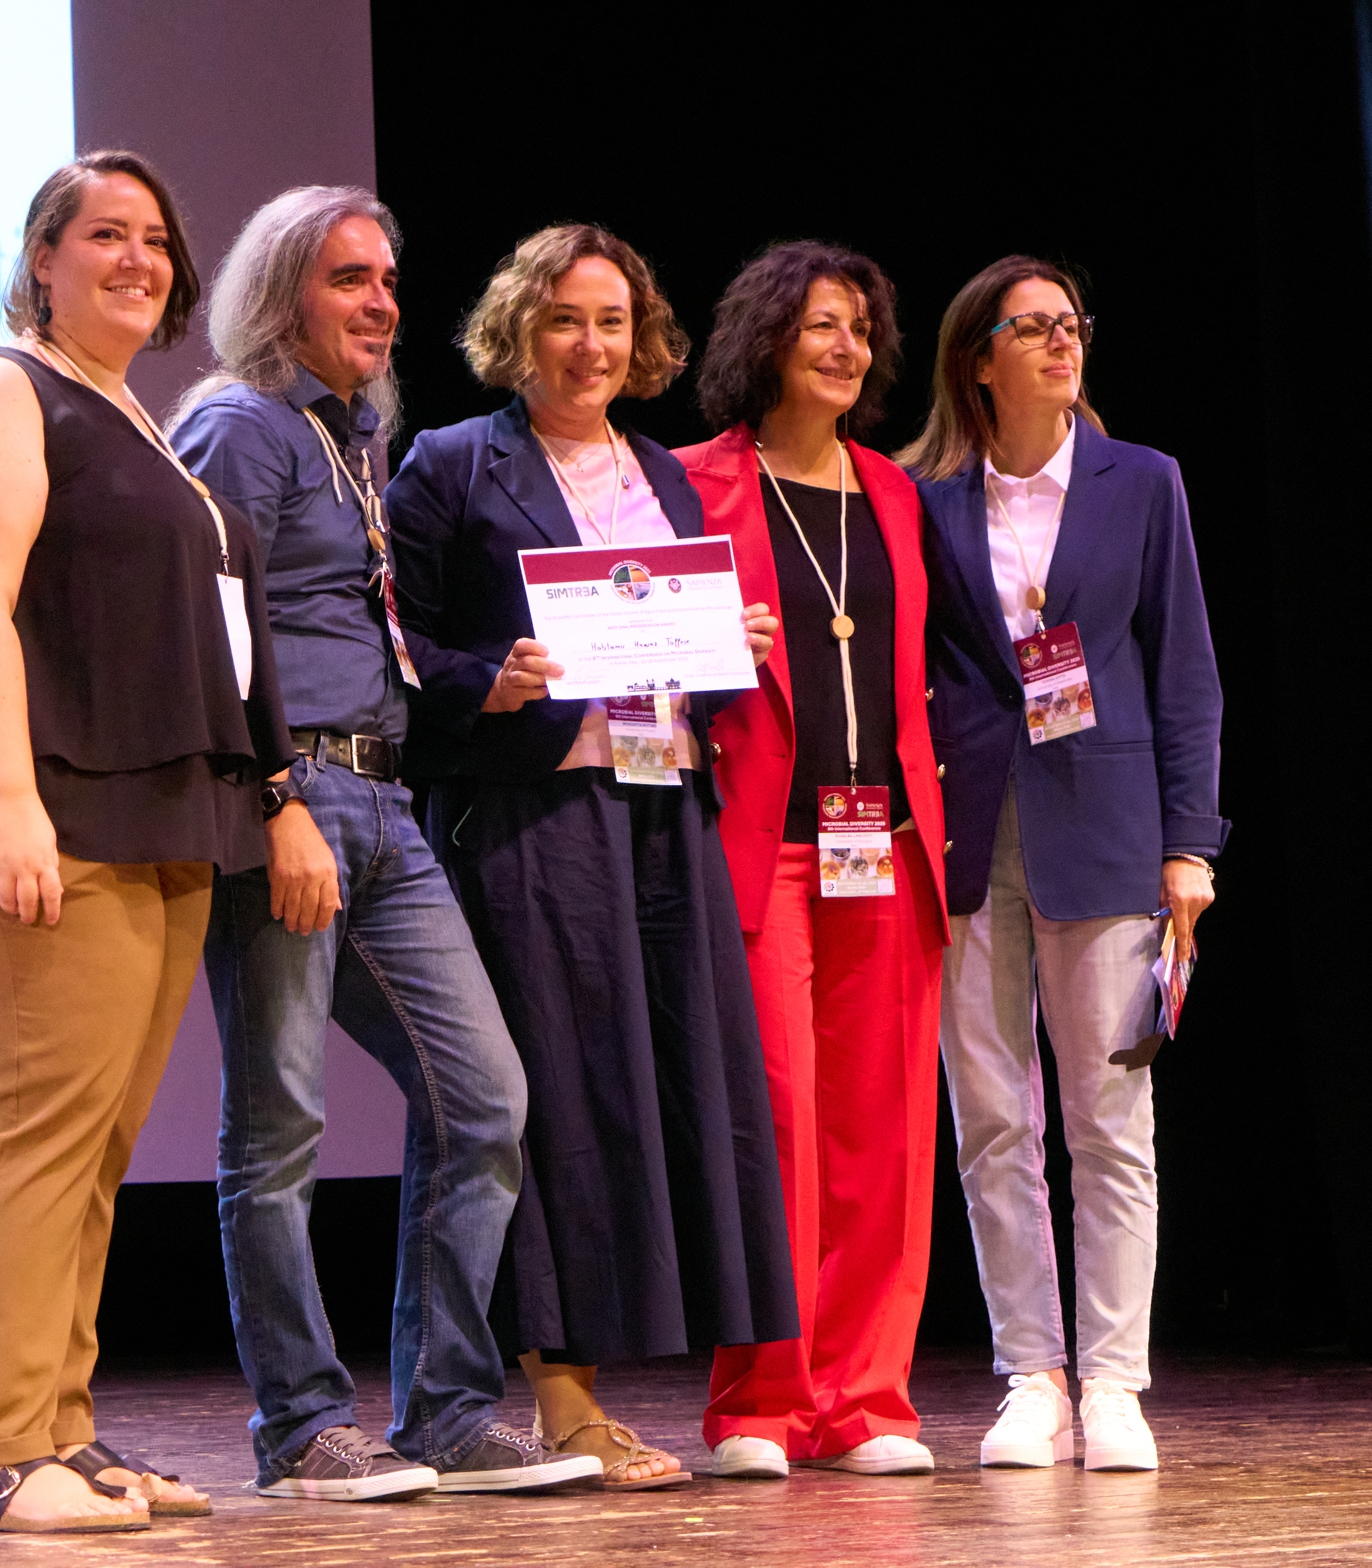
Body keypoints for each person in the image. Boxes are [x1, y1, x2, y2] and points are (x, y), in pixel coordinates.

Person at [0, 151, 296, 1534]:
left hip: (150, 812)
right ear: (41, 259)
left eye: (157, 240)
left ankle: (61, 1428)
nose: (138, 260)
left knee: (96, 1142)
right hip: (37, 800)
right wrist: (8, 800)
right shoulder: (1, 392)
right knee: (38, 1126)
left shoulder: (132, 417)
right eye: (105, 234)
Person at [171, 187, 597, 1500]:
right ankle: (301, 1427)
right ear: (280, 295)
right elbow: (208, 637)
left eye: (388, 280)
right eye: (348, 278)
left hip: (385, 803)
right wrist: (275, 800)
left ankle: (448, 1413)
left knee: (485, 1097)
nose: (382, 302)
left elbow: (372, 630)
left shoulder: (352, 436)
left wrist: (477, 687)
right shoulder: (239, 428)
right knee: (278, 1125)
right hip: (291, 800)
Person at [385, 223, 798, 1491]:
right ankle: (562, 1403)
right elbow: (392, 644)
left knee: (658, 1091)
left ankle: (612, 1388)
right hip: (532, 821)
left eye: (612, 320)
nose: (591, 344)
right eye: (565, 318)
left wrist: (731, 648)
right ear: (519, 329)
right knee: (555, 1100)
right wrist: (485, 679)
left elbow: (675, 661)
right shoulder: (453, 463)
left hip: (661, 809)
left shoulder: (661, 474)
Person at [899, 256, 1225, 1473]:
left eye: (1070, 323)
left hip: (1109, 826)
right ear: (978, 358)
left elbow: (1185, 671)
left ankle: (1115, 1379)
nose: (1059, 341)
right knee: (993, 1118)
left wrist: (1190, 842)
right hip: (969, 831)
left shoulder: (1144, 482)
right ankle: (1031, 1373)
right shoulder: (924, 499)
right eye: (1030, 326)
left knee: (1109, 1117)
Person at [676, 243, 949, 1479]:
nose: (845, 347)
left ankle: (867, 1397)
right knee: (777, 1122)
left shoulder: (893, 490)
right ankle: (763, 1398)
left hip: (883, 843)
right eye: (819, 325)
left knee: (885, 1132)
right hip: (765, 841)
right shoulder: (694, 483)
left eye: (859, 328)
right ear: (767, 340)